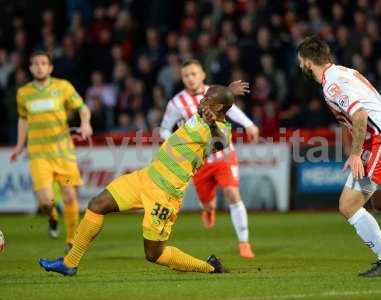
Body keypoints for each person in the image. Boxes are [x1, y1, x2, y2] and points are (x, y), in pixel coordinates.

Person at [38, 84, 246, 276]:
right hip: (146, 177)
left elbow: (222, 142)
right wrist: (227, 90)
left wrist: (212, 125)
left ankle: (210, 267)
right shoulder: (204, 111)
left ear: (218, 106)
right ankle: (69, 263)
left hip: (166, 193)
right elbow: (219, 101)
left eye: (207, 98)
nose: (202, 99)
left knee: (154, 254)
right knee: (97, 205)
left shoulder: (220, 129)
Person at [297, 36, 381, 277]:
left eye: (301, 62)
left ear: (308, 62)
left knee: (348, 204)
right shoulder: (343, 72)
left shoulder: (332, 85)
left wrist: (356, 154)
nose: (301, 66)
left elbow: (360, 114)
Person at [160, 59, 258, 259]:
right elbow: (163, 129)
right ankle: (208, 209)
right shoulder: (176, 103)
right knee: (208, 204)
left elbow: (233, 109)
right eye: (186, 75)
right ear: (182, 78)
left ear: (203, 74)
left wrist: (249, 124)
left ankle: (244, 243)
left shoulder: (216, 91)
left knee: (232, 193)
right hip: (199, 161)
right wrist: (175, 145)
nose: (190, 78)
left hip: (224, 155)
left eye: (194, 73)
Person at [10, 50, 93, 251]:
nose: (39, 66)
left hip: (63, 154)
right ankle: (53, 217)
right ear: (30, 68)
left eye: (43, 63)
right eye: (35, 63)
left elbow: (82, 107)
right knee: (46, 202)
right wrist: (20, 145)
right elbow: (23, 119)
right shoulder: (23, 93)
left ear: (50, 67)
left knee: (69, 197)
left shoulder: (62, 87)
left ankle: (72, 240)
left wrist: (86, 123)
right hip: (38, 155)